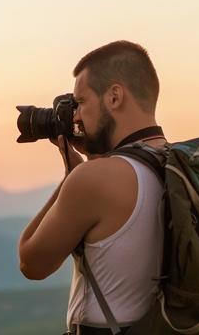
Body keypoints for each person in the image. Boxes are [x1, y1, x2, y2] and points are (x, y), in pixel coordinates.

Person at [18, 40, 167, 334]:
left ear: (114, 97)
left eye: (81, 102)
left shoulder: (94, 179)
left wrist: (71, 177)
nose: (75, 116)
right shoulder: (174, 163)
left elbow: (31, 263)